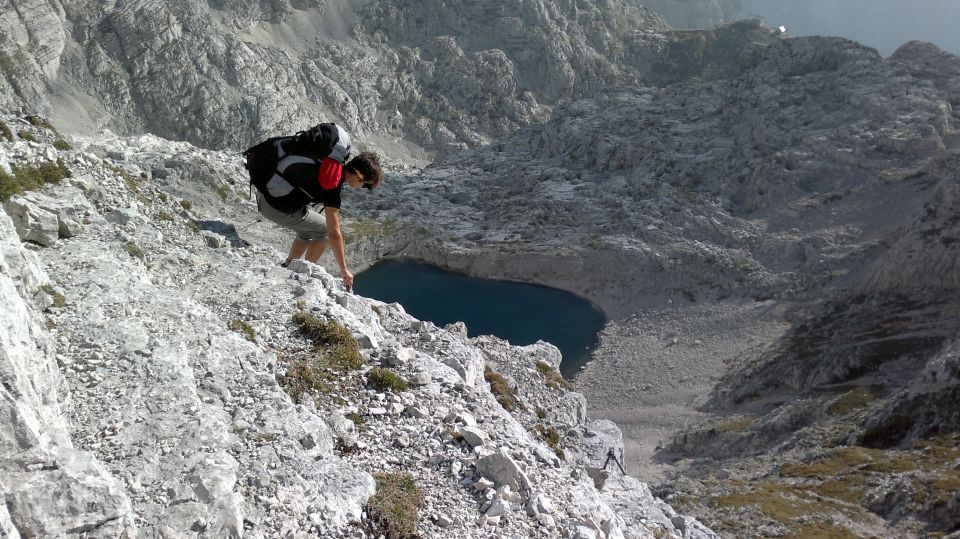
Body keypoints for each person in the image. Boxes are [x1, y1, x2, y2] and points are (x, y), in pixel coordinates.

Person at [252, 124, 383, 291]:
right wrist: (344, 269)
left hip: (265, 192)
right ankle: (304, 272)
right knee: (322, 229)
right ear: (359, 176)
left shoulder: (328, 162)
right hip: (273, 206)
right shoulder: (332, 181)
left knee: (308, 230)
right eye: (366, 185)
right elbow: (334, 232)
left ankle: (289, 265)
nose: (364, 188)